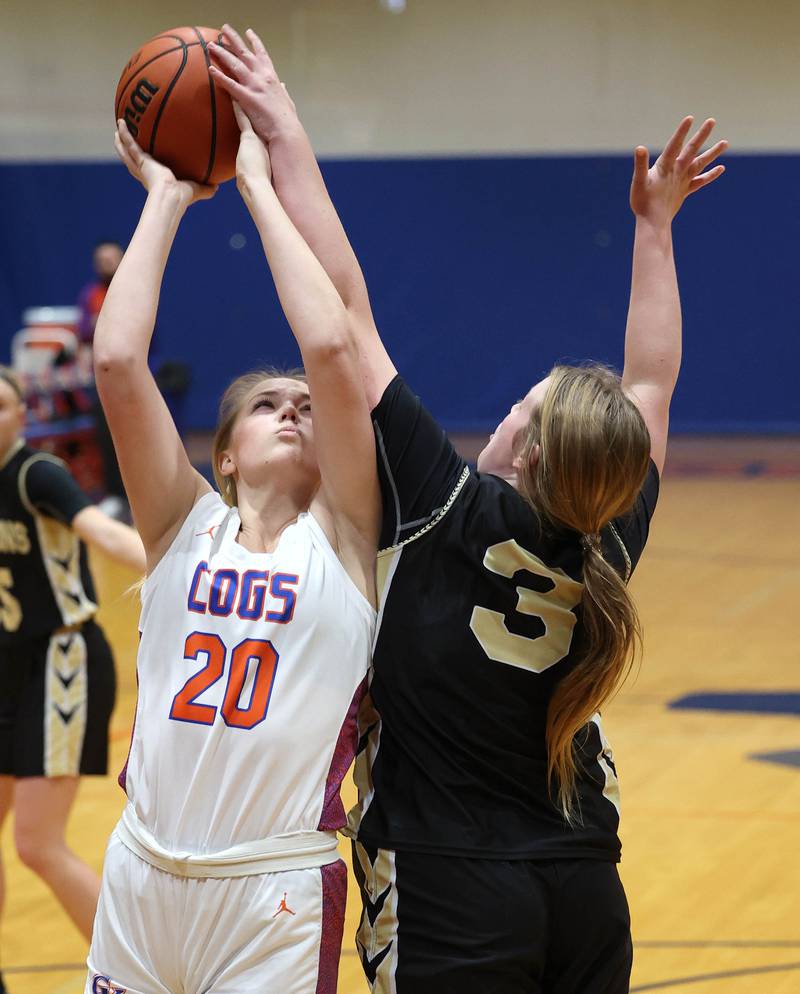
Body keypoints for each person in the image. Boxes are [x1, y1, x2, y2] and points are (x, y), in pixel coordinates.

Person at [208, 33, 726, 994]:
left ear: (524, 449)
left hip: (449, 885)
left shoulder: (443, 504)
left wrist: (281, 128)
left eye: (518, 407)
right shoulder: (608, 540)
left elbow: (347, 305)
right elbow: (652, 380)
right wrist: (656, 232)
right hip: (583, 883)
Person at [84, 102, 379, 994]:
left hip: (272, 892)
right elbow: (117, 364)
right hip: (138, 873)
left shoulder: (349, 537)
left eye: (304, 407)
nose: (292, 409)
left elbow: (331, 348)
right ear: (221, 453)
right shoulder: (183, 525)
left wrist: (254, 184)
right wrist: (167, 198)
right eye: (264, 405)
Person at [0, 364, 145, 994]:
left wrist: (183, 565)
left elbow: (102, 531)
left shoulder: (37, 474)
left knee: (36, 843)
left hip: (62, 665)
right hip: (6, 665)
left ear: (20, 416)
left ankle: (130, 973)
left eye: (1, 406)